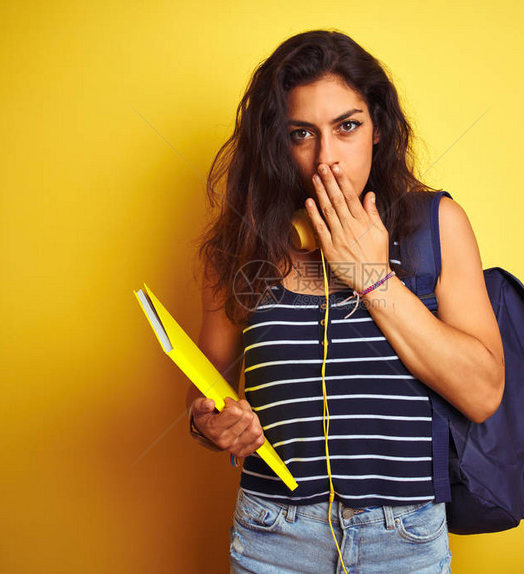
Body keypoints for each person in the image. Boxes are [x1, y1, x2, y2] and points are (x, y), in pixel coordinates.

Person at [186, 29, 504, 573]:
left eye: (347, 126)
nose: (325, 158)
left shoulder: (437, 225)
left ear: (377, 127)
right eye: (301, 133)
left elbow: (482, 394)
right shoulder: (238, 248)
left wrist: (371, 276)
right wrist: (211, 425)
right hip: (273, 538)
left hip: (401, 538)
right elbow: (203, 403)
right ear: (275, 141)